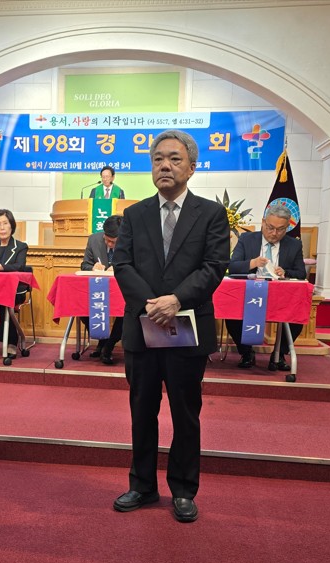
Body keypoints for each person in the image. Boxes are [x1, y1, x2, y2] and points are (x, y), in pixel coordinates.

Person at [112, 129, 229, 523]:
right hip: (142, 327)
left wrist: (176, 300)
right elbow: (122, 265)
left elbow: (214, 267)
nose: (165, 165)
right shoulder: (134, 214)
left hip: (188, 329)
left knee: (185, 413)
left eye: (174, 159)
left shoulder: (210, 214)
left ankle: (183, 489)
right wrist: (152, 304)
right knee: (141, 411)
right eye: (158, 158)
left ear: (192, 167)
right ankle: (142, 485)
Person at [225, 204, 307, 370]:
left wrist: (286, 272)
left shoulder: (294, 245)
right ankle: (246, 353)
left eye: (280, 229)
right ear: (263, 222)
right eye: (270, 227)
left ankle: (279, 355)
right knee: (232, 314)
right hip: (249, 294)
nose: (274, 233)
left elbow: (301, 273)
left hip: (280, 296)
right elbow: (232, 267)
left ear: (287, 227)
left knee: (296, 315)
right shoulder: (247, 239)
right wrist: (253, 263)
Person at [80, 214, 124, 365]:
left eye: (113, 242)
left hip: (121, 291)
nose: (110, 244)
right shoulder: (94, 239)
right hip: (98, 288)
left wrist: (118, 269)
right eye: (107, 240)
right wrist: (93, 267)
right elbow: (84, 265)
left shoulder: (130, 242)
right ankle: (103, 340)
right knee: (79, 304)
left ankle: (109, 345)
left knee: (129, 310)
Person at [0, 208, 29, 356]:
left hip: (14, 291)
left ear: (12, 226)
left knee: (5, 301)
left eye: (5, 223)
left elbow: (20, 266)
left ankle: (11, 342)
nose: (2, 228)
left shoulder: (20, 246)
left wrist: (2, 267)